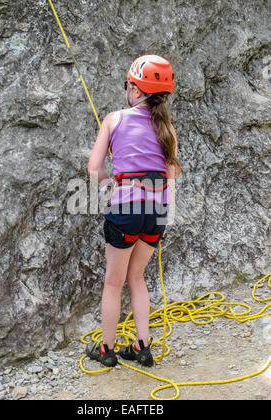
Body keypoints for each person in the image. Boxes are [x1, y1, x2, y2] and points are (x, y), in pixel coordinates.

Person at [86, 55, 181, 368]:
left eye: (129, 85)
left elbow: (94, 168)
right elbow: (170, 176)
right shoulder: (166, 127)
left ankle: (107, 350)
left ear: (136, 90)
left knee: (113, 283)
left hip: (127, 203)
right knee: (137, 277)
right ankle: (143, 348)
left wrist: (110, 187)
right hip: (157, 209)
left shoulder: (114, 119)